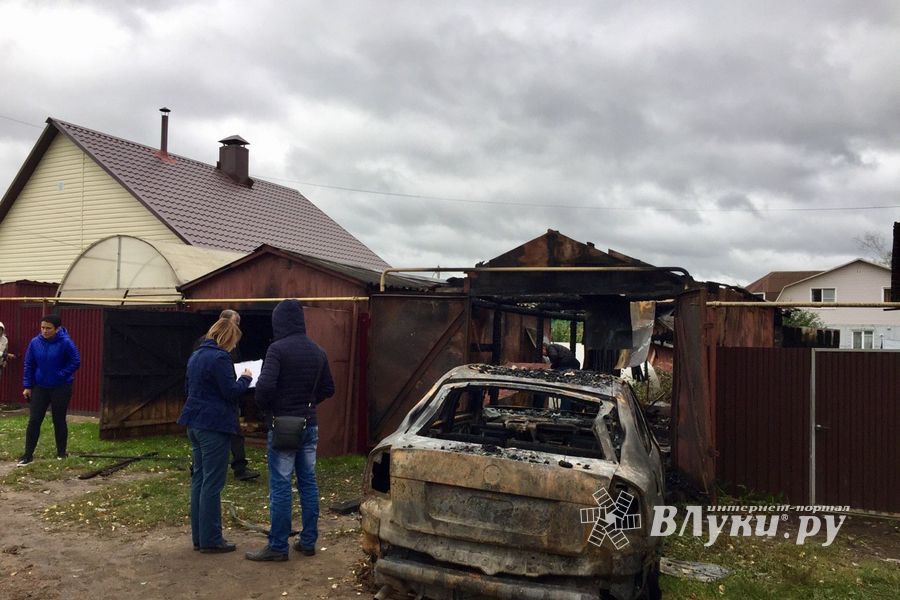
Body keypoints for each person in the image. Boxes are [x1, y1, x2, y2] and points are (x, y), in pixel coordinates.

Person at [245, 299, 335, 562]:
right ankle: (308, 542)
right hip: (309, 424)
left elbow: (264, 390)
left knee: (281, 486)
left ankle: (277, 547)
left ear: (278, 322)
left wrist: (270, 409)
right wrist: (307, 404)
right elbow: (329, 389)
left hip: (283, 426)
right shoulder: (318, 351)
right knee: (308, 483)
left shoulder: (277, 349)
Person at [179, 318, 253, 554]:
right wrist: (246, 378)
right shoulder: (221, 358)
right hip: (214, 425)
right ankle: (211, 539)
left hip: (194, 423)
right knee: (213, 482)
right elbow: (230, 393)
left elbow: (188, 388)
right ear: (228, 338)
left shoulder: (196, 356)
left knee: (199, 480)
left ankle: (199, 537)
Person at [192, 309, 260, 482]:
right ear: (226, 323)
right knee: (211, 480)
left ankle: (235, 466)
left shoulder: (202, 350)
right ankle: (237, 468)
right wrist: (244, 379)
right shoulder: (216, 352)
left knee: (209, 445)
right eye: (235, 323)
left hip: (203, 406)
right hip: (217, 405)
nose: (237, 327)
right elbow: (228, 387)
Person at [18, 314, 81, 466]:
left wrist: (61, 374)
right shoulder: (35, 342)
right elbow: (29, 364)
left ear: (57, 329)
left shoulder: (65, 342)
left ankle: (61, 452)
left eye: (48, 328)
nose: (44, 331)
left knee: (58, 419)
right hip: (40, 387)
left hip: (61, 387)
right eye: (42, 328)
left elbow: (75, 361)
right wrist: (27, 385)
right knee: (34, 420)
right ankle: (27, 455)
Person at [0, 321, 17, 392]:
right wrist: (7, 355)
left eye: (0, 329)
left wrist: (5, 360)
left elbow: (5, 350)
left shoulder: (5, 339)